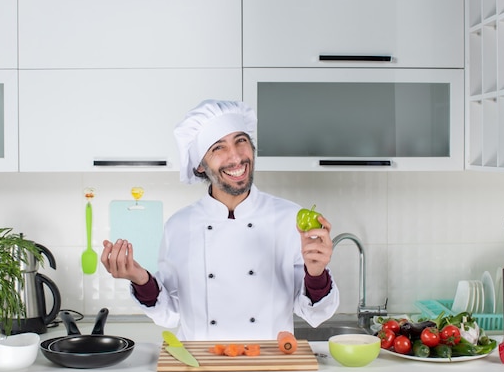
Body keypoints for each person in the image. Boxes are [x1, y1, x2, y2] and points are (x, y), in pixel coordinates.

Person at [101, 100, 339, 340]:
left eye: (241, 140)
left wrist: (316, 272)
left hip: (266, 367)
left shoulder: (289, 218)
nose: (236, 156)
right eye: (218, 147)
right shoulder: (179, 226)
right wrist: (141, 279)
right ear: (200, 166)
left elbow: (315, 313)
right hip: (201, 369)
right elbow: (169, 313)